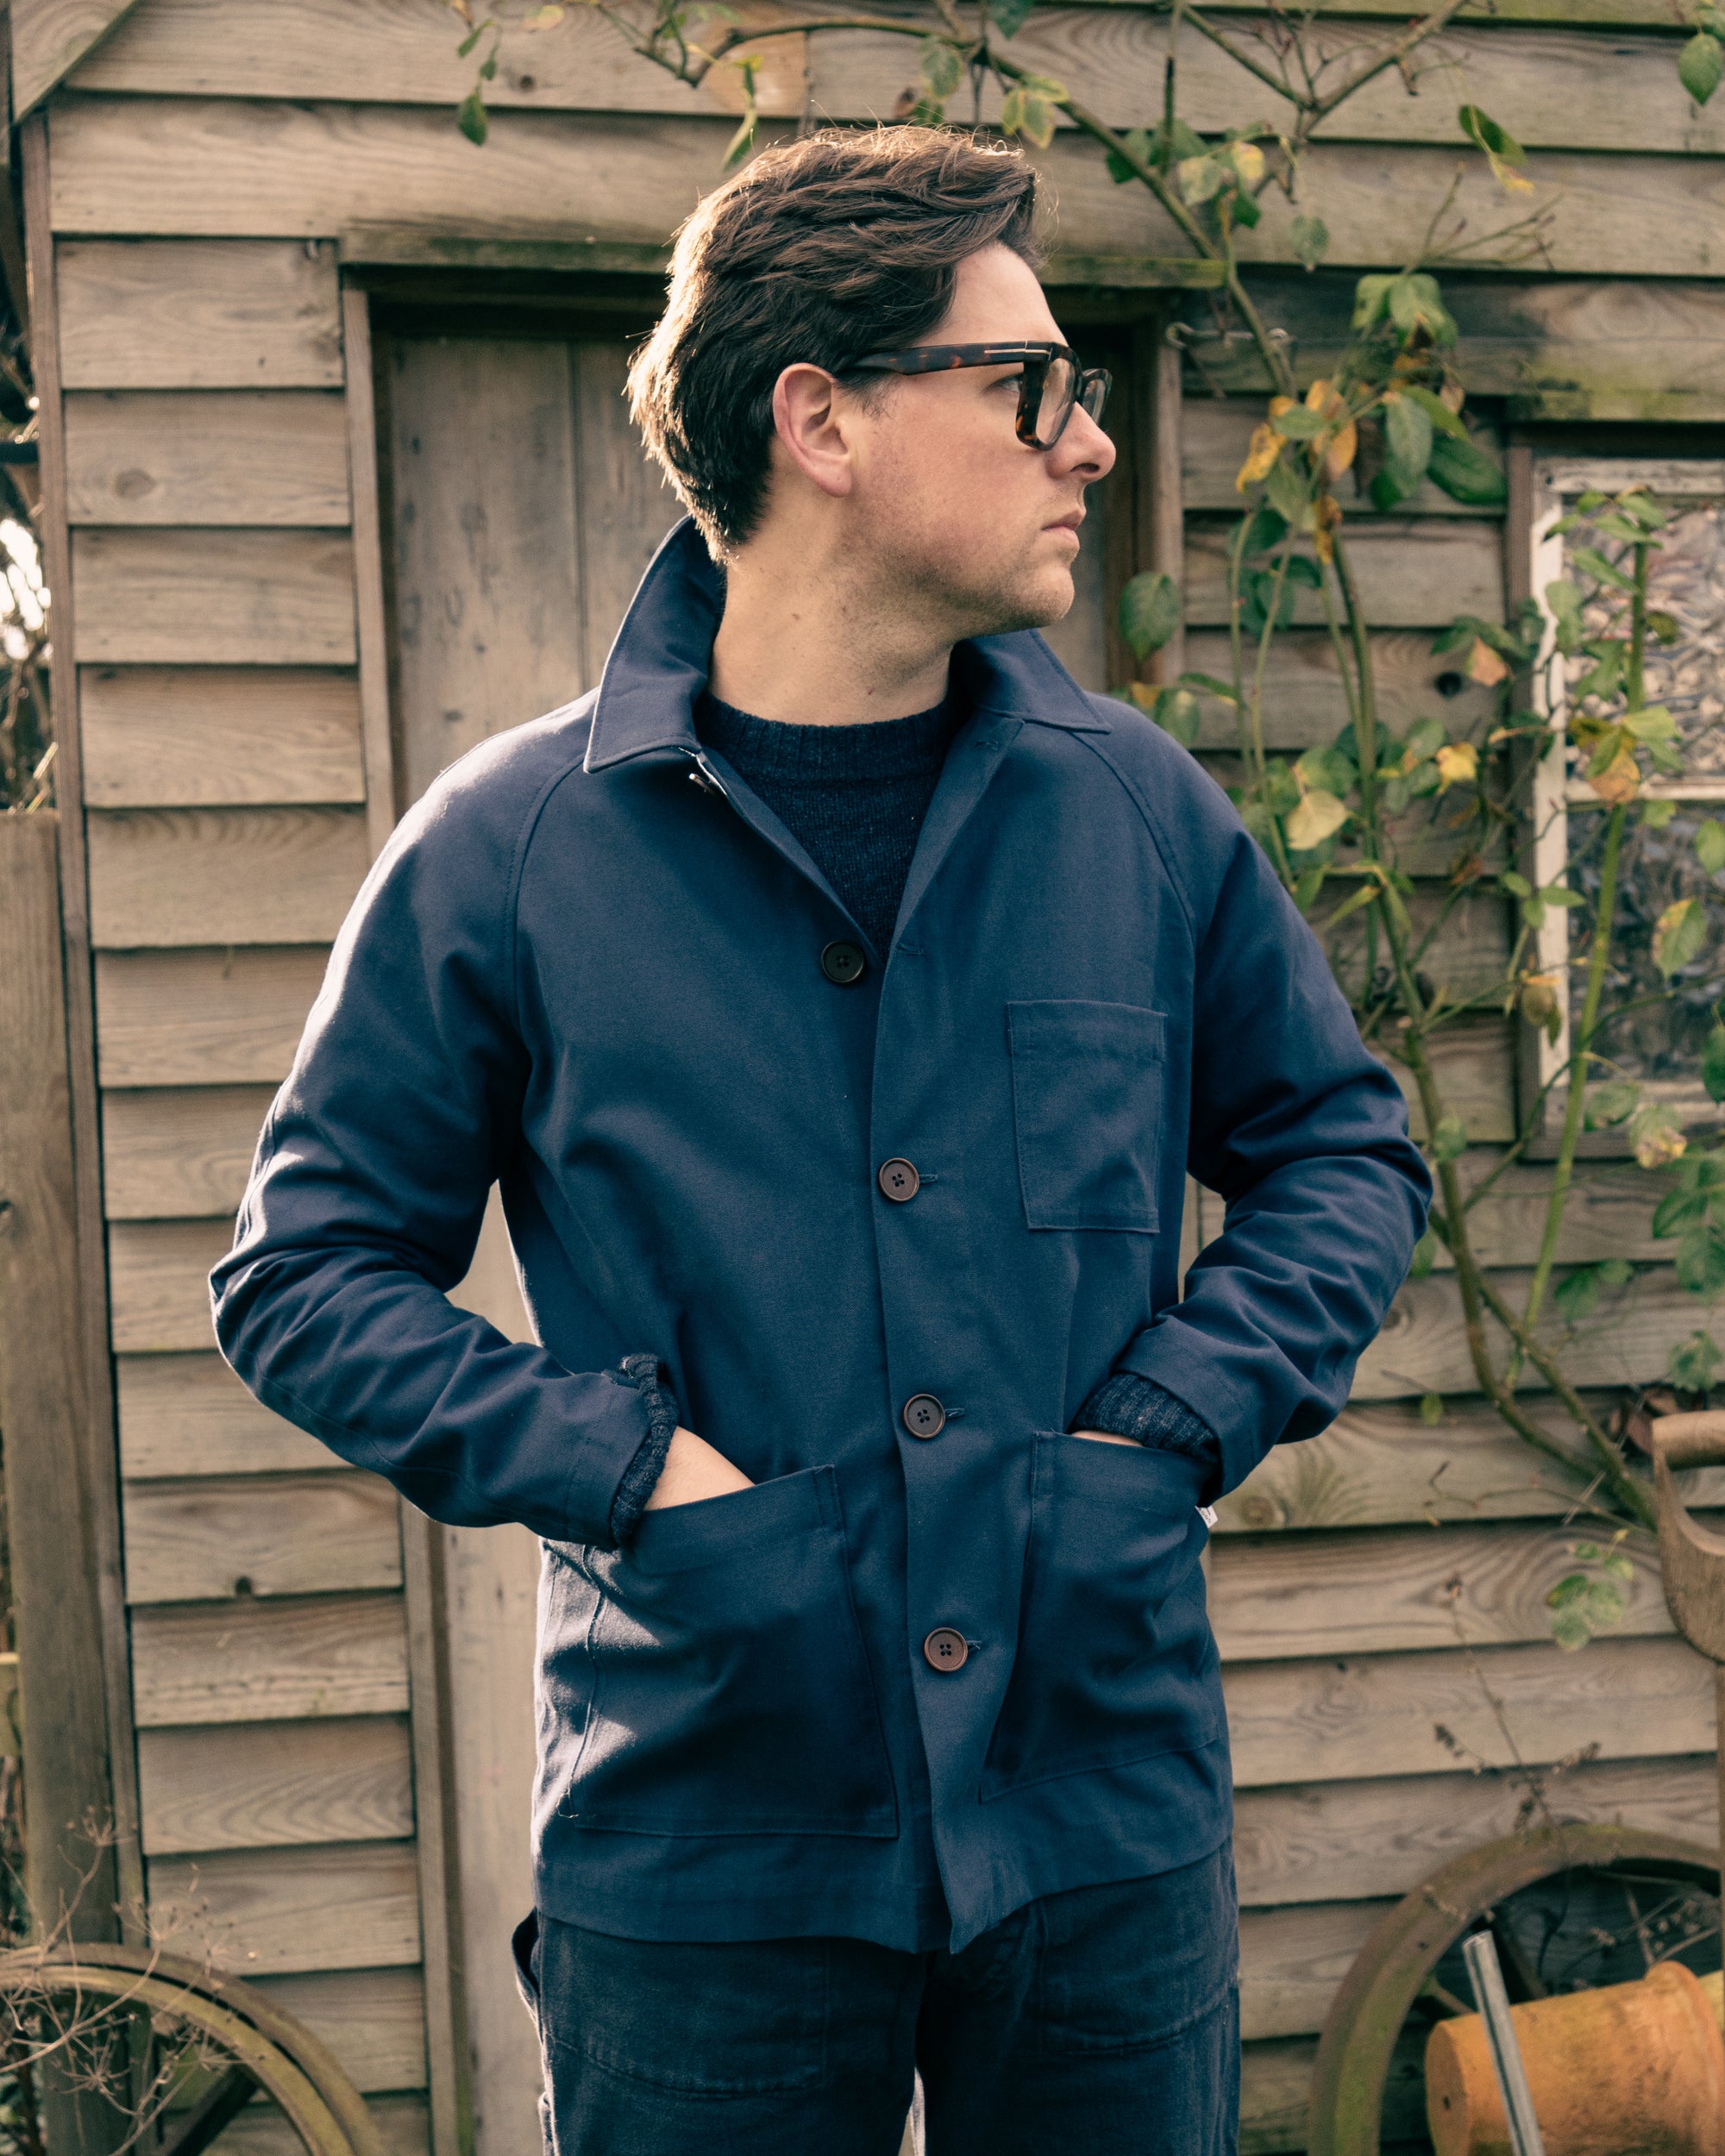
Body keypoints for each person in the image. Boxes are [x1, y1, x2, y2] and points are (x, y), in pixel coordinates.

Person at [210, 123, 1429, 2156]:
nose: (1089, 445)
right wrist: (631, 1471)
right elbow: (301, 1274)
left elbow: (1343, 1151)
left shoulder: (1134, 816)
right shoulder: (513, 854)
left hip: (1097, 1806)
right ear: (825, 420)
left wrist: (1165, 1426)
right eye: (1031, 388)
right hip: (708, 1833)